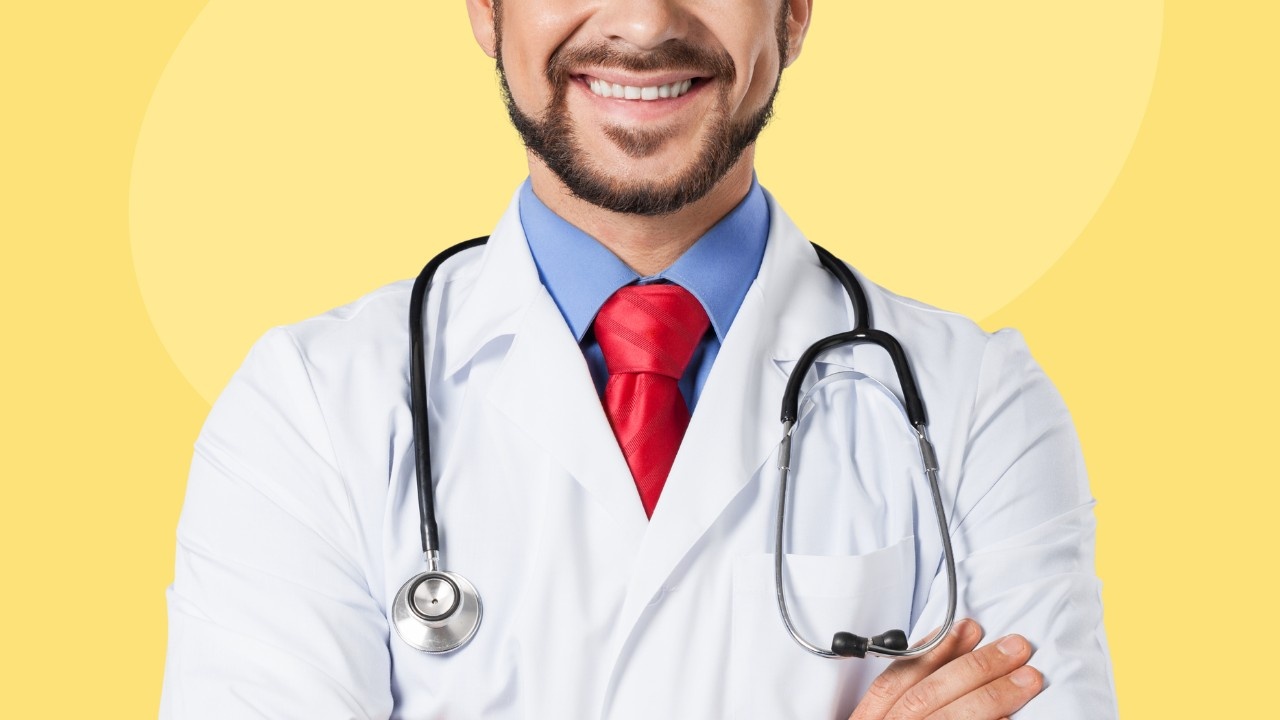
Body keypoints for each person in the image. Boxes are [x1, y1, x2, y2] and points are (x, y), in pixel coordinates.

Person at [160, 1, 1117, 717]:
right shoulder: (308, 412)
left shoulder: (975, 404)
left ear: (793, 10)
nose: (643, 20)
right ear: (485, 9)